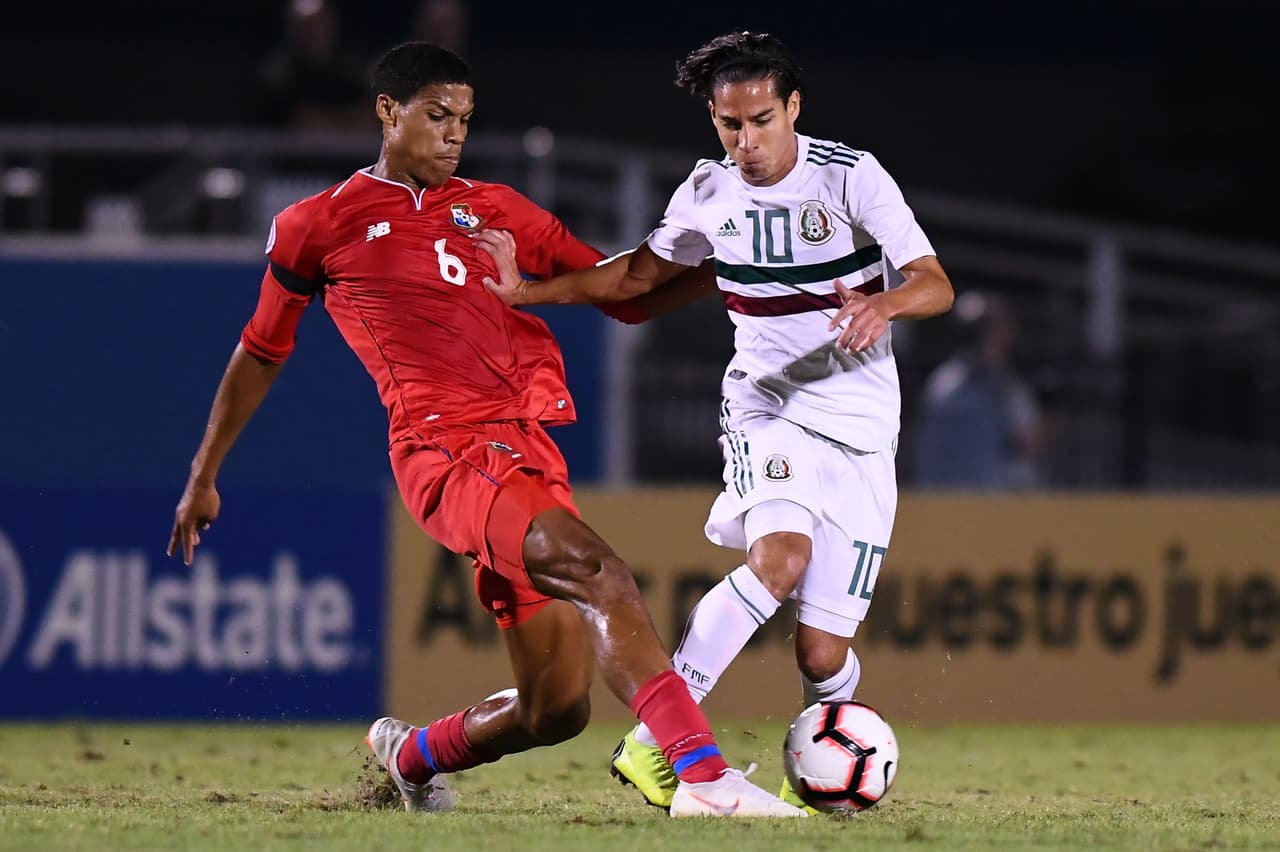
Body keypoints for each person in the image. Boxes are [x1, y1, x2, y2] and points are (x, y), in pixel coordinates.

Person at [166, 41, 800, 818]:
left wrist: (728, 265)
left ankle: (411, 755)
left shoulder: (498, 209)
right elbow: (262, 349)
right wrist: (205, 474)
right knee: (601, 573)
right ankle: (701, 777)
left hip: (527, 447)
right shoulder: (318, 224)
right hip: (443, 450)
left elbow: (625, 293)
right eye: (436, 116)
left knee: (556, 707)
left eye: (464, 119)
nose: (453, 133)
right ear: (388, 113)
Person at [480, 31, 954, 811]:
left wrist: (885, 302)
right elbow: (636, 274)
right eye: (730, 125)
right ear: (713, 118)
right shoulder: (709, 192)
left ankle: (823, 773)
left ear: (793, 107)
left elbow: (935, 283)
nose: (747, 141)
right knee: (781, 558)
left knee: (822, 649)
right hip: (767, 405)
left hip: (865, 423)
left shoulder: (850, 179)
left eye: (762, 120)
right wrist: (527, 294)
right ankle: (658, 745)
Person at [914, 290, 1044, 488]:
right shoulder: (945, 385)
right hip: (959, 501)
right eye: (988, 329)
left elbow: (1028, 442)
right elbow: (1027, 442)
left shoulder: (1005, 384)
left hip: (976, 503)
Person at [254, 0, 371, 130]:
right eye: (306, 25)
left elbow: (366, 118)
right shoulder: (278, 74)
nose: (313, 32)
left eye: (319, 23)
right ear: (292, 28)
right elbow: (297, 122)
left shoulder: (352, 71)